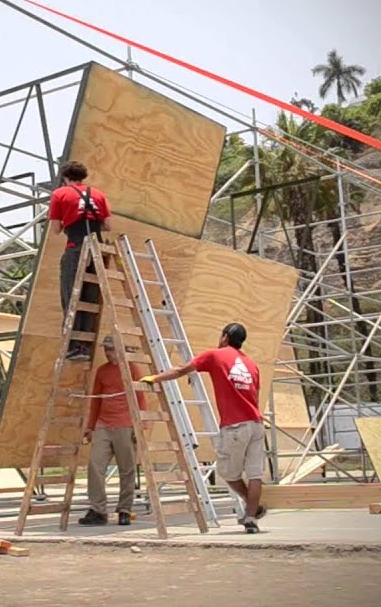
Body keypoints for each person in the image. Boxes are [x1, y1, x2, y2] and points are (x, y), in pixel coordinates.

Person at [141, 323, 267, 533]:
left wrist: (155, 378)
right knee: (255, 474)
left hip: (235, 427)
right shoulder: (251, 364)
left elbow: (180, 370)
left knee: (227, 472)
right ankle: (252, 516)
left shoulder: (215, 355)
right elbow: (255, 394)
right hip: (256, 424)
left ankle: (249, 503)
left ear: (225, 337)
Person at [47, 160, 112, 361]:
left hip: (76, 247)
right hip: (97, 249)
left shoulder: (60, 194)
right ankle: (84, 347)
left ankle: (73, 347)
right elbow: (108, 225)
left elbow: (56, 229)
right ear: (83, 177)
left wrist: (70, 221)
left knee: (71, 295)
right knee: (89, 298)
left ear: (65, 177)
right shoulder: (99, 194)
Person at [79, 336, 146, 527]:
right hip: (104, 424)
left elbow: (140, 397)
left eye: (112, 349)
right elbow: (95, 400)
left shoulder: (132, 369)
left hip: (125, 423)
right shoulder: (102, 371)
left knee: (127, 469)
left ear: (121, 350)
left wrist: (139, 426)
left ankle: (125, 509)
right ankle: (98, 510)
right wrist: (91, 426)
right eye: (106, 350)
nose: (108, 353)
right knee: (95, 465)